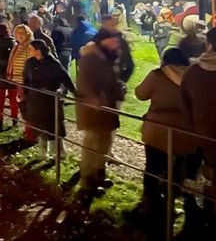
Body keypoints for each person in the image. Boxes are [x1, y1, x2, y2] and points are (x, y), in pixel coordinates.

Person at [130, 48, 197, 223]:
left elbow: (140, 94)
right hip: (184, 132)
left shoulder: (157, 75)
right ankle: (170, 203)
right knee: (176, 170)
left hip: (157, 130)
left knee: (152, 167)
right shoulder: (193, 78)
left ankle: (148, 203)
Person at [76, 31, 125, 201]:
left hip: (107, 107)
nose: (117, 43)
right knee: (92, 142)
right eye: (114, 40)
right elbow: (83, 81)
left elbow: (113, 79)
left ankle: (99, 174)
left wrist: (119, 88)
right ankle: (87, 182)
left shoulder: (110, 57)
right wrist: (93, 98)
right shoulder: (90, 58)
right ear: (104, 40)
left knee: (105, 141)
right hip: (93, 108)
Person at [180, 27, 216, 228]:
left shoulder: (193, 71)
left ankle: (194, 217)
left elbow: (184, 102)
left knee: (192, 174)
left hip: (198, 134)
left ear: (208, 45)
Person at [22, 39, 76, 159]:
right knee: (39, 125)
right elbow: (25, 79)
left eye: (31, 49)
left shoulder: (53, 63)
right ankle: (43, 152)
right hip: (35, 99)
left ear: (38, 50)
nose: (29, 51)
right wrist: (24, 95)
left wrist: (75, 93)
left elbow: (65, 78)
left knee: (54, 125)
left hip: (50, 99)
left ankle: (59, 151)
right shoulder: (29, 63)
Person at [7, 24, 34, 133]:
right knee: (22, 103)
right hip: (17, 79)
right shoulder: (17, 46)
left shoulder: (30, 46)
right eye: (18, 33)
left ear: (27, 34)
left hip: (26, 81)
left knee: (27, 104)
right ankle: (27, 128)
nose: (20, 35)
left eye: (22, 33)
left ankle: (30, 129)